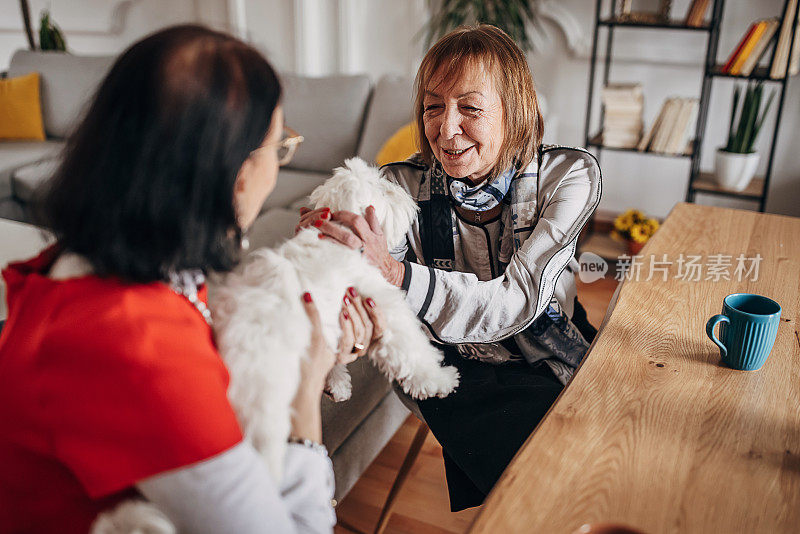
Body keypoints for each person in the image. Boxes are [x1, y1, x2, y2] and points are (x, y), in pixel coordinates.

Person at [0, 25, 384, 533]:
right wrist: (305, 391)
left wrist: (306, 348)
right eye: (280, 146)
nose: (278, 165)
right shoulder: (139, 347)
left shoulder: (107, 261)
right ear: (235, 174)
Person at [298, 24, 601, 511]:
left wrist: (399, 276)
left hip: (545, 341)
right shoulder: (397, 187)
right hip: (451, 362)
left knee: (595, 447)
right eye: (433, 105)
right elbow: (365, 286)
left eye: (471, 107)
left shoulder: (568, 176)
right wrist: (326, 247)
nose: (445, 128)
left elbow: (517, 300)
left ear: (515, 110)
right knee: (550, 472)